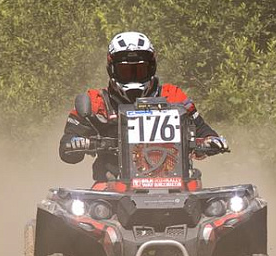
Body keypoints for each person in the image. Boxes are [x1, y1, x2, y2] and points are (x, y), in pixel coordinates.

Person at [59, 31, 227, 182]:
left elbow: (204, 131)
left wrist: (211, 142)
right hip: (112, 189)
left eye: (139, 71)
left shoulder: (173, 97)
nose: (133, 78)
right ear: (112, 70)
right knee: (62, 210)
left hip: (176, 185)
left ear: (151, 68)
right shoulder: (97, 102)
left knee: (237, 208)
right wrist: (76, 143)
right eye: (126, 71)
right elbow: (67, 149)